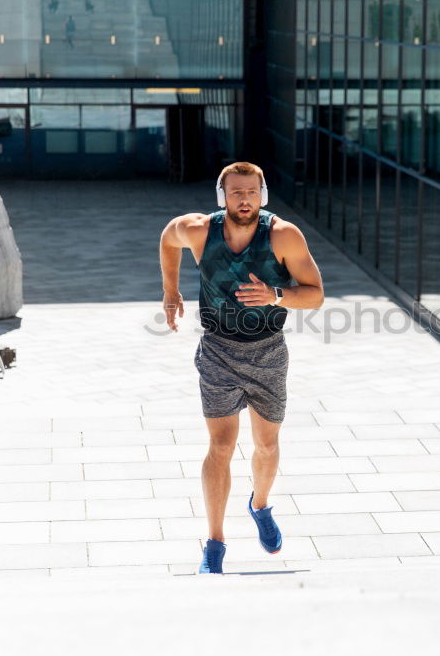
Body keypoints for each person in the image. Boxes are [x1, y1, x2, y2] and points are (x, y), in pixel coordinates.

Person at [159, 162, 325, 574]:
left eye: (251, 192)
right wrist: (170, 291)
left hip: (268, 352)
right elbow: (167, 237)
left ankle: (260, 505)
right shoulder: (200, 230)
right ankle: (214, 544)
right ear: (222, 196)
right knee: (221, 445)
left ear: (262, 195)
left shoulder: (284, 236)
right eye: (236, 192)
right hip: (216, 350)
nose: (244, 199)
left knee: (266, 445)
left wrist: (275, 295)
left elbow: (316, 295)